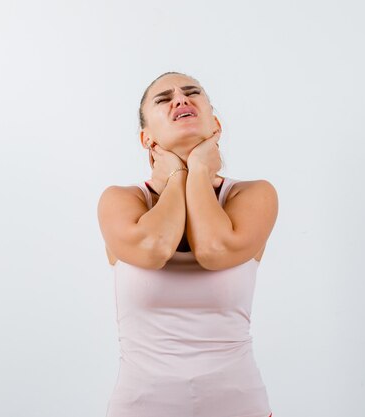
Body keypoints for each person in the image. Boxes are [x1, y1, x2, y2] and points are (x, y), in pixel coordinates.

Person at [97, 71, 278, 417]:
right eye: (164, 99)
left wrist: (196, 169)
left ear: (216, 124)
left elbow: (214, 249)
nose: (181, 99)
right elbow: (154, 247)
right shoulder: (119, 201)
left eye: (192, 93)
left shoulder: (253, 195)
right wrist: (180, 175)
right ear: (146, 138)